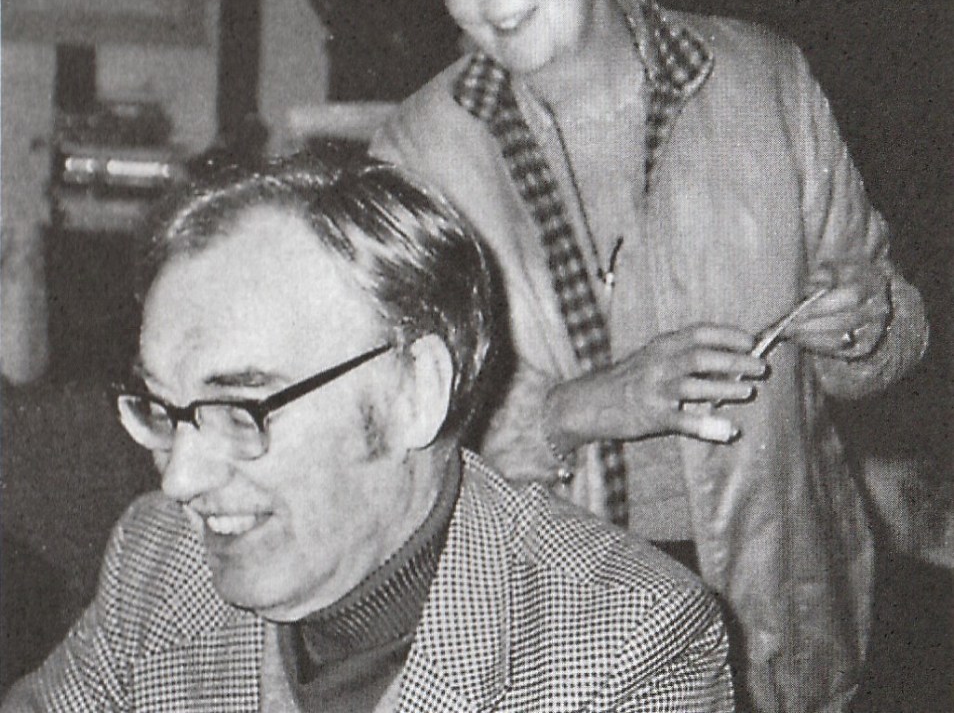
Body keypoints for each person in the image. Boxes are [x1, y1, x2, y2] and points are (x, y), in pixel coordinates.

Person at [370, 0, 930, 713]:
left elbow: (892, 333)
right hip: (549, 626)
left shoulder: (765, 82)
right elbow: (397, 430)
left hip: (773, 614)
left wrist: (863, 319)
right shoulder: (418, 151)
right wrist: (579, 409)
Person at [1, 154, 734, 713]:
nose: (179, 479)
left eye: (241, 409)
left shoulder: (626, 644)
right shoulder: (159, 559)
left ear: (416, 392)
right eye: (162, 407)